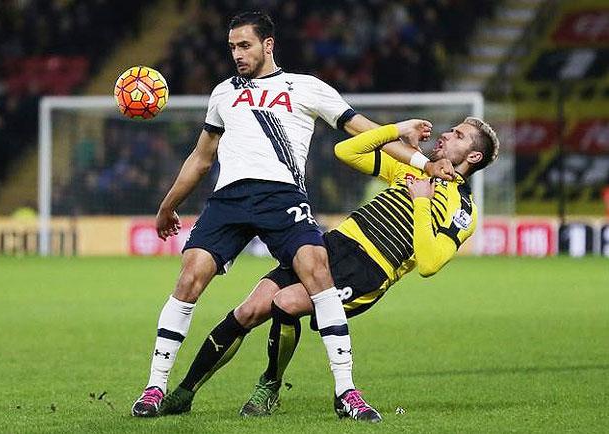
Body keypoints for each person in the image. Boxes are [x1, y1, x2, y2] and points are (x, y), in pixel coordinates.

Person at [131, 11, 451, 421]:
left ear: (268, 45)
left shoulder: (306, 87)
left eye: (244, 45)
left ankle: (347, 392)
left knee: (318, 270)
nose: (237, 54)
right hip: (228, 199)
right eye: (232, 47)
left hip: (281, 196)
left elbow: (361, 131)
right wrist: (167, 205)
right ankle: (154, 387)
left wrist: (422, 162)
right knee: (190, 277)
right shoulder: (223, 92)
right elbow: (201, 157)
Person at [157, 117, 500, 422]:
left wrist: (422, 202)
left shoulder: (463, 209)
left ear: (473, 157)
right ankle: (185, 392)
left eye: (459, 135)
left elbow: (429, 263)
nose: (447, 135)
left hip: (368, 268)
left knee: (285, 303)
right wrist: (396, 131)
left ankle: (269, 385)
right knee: (250, 308)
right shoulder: (412, 169)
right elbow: (347, 150)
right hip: (332, 246)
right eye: (452, 129)